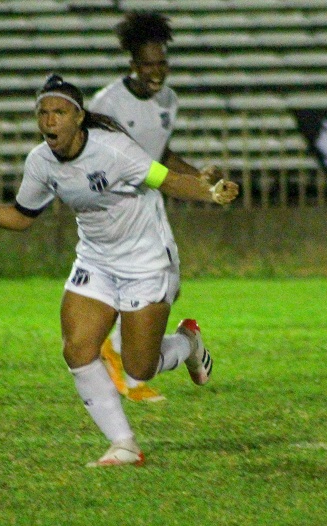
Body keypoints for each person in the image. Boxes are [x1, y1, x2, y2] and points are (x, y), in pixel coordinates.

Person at [0, 74, 238, 466]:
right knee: (78, 349)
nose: (50, 121)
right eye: (43, 113)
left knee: (139, 368)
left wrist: (210, 192)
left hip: (146, 259)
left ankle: (187, 343)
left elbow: (164, 179)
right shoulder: (40, 162)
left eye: (60, 113)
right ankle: (124, 444)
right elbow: (21, 216)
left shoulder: (113, 150)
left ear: (79, 117)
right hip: (96, 259)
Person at [89, 11, 212, 403]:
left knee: (167, 288)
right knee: (151, 288)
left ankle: (132, 351)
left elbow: (159, 152)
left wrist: (198, 177)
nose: (156, 72)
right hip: (118, 209)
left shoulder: (168, 101)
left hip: (150, 205)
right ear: (132, 65)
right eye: (148, 65)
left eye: (162, 63)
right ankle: (131, 371)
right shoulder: (107, 103)